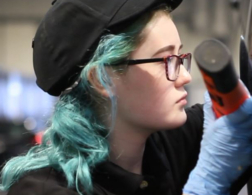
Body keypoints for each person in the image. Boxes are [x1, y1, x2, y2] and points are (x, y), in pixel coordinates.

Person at [1, 0, 252, 195]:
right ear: (102, 79)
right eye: (166, 60)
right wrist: (204, 186)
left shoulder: (166, 145)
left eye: (180, 57)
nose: (184, 77)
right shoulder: (43, 189)